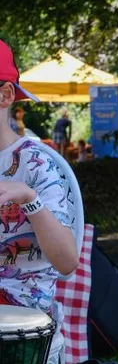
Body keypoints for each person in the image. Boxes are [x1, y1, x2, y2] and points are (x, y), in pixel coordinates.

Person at [0, 40, 79, 322]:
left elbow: (67, 262)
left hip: (18, 306)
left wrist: (29, 199)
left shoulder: (36, 165)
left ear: (6, 95)